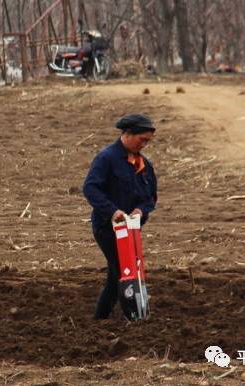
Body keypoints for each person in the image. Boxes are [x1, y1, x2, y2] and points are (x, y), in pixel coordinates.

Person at [83, 114, 158, 320]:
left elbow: (150, 197)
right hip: (107, 229)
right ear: (127, 134)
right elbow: (90, 188)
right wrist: (113, 210)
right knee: (123, 274)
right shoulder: (106, 158)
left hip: (131, 230)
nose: (144, 145)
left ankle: (103, 319)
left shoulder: (143, 164)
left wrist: (141, 210)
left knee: (118, 274)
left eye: (147, 141)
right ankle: (132, 317)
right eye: (141, 139)